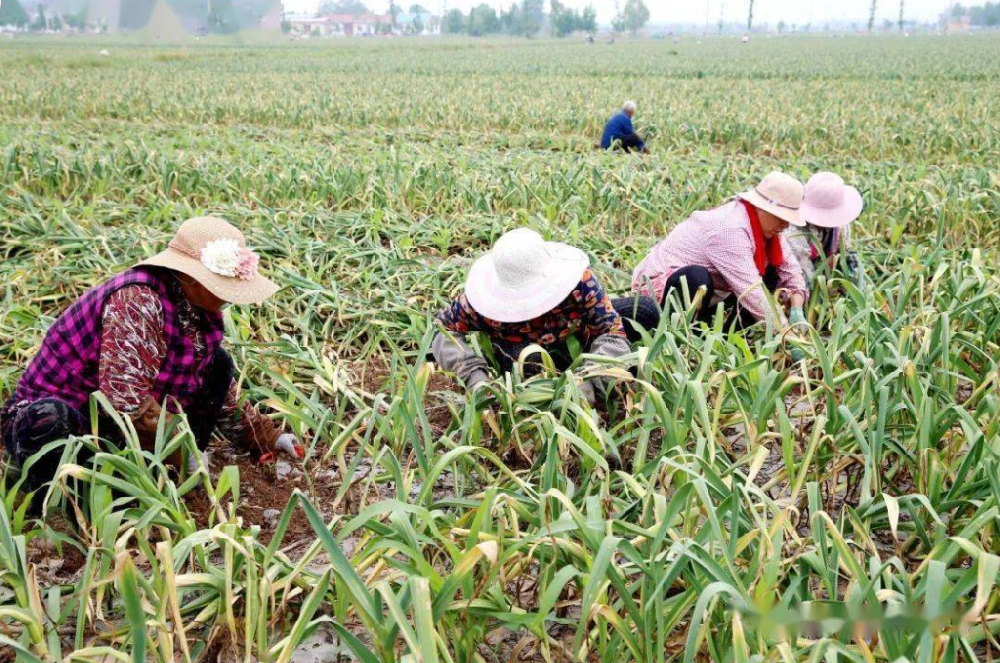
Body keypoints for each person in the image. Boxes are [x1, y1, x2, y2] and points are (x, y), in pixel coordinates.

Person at [0, 217, 304, 498]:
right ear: (192, 278)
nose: (228, 296)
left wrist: (266, 436)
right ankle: (62, 498)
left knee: (218, 364)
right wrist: (184, 452)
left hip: (116, 422)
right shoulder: (137, 300)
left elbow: (219, 392)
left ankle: (160, 473)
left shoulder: (198, 309)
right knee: (51, 422)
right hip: (71, 416)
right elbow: (126, 401)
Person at [432, 228, 658, 405]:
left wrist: (592, 380)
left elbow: (611, 329)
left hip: (578, 337)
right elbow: (442, 328)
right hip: (522, 353)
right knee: (533, 368)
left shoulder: (579, 282)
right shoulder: (480, 302)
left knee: (645, 310)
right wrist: (476, 379)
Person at [631, 171, 809, 334]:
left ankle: (725, 333)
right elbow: (751, 291)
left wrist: (796, 308)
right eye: (782, 218)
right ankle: (678, 333)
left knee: (771, 273)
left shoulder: (768, 229)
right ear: (762, 208)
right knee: (695, 278)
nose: (786, 226)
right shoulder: (731, 229)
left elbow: (790, 269)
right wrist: (787, 333)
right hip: (660, 290)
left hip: (710, 293)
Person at [787, 171, 864, 286]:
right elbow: (802, 267)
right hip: (795, 266)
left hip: (822, 265)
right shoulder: (795, 228)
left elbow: (845, 253)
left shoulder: (841, 223)